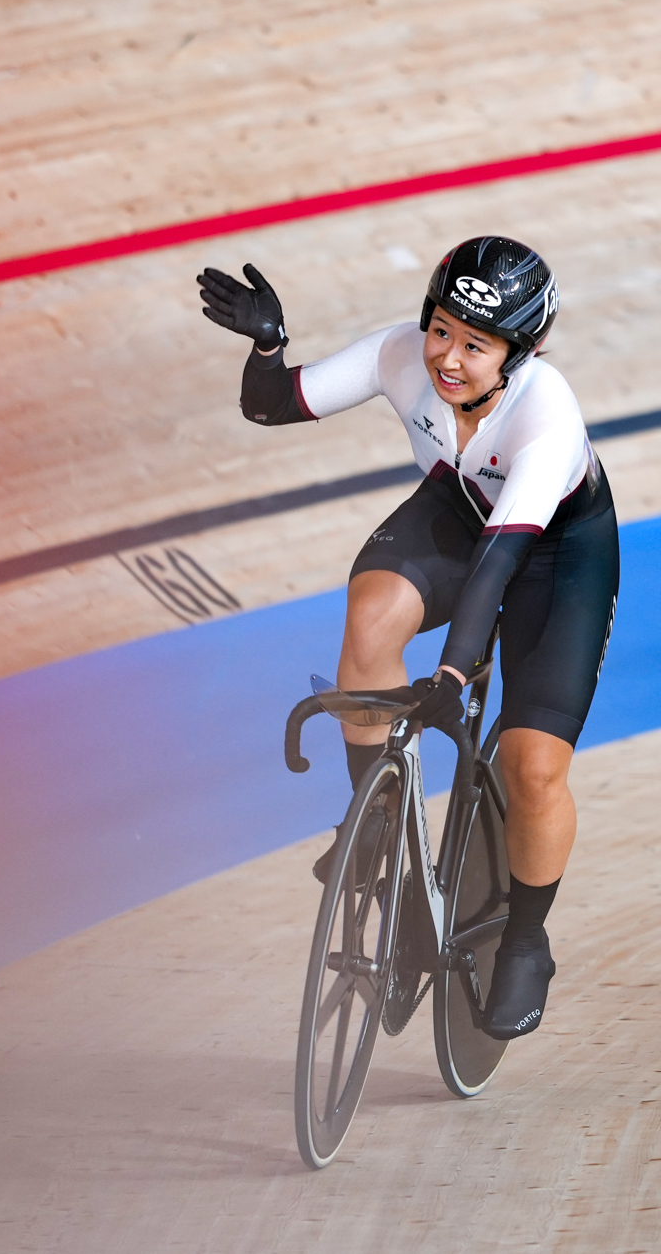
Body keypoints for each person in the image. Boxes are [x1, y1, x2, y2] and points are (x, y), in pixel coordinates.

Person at [196, 237, 619, 1040]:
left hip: (554, 557)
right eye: (441, 329)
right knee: (369, 616)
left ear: (519, 353)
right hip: (461, 515)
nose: (447, 359)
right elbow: (272, 404)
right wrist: (267, 344)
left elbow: (500, 569)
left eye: (475, 344)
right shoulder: (401, 353)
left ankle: (527, 939)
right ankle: (377, 818)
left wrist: (453, 677)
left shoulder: (545, 415)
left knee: (534, 767)